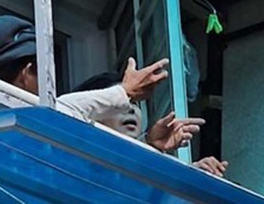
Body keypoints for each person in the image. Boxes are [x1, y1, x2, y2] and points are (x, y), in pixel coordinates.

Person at [0, 15, 201, 152]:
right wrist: (123, 93)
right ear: (29, 71)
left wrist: (150, 146)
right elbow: (59, 112)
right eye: (45, 73)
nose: (50, 85)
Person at [76, 72, 229, 177]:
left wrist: (195, 174)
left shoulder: (145, 166)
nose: (131, 109)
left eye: (135, 103)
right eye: (120, 104)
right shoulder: (77, 156)